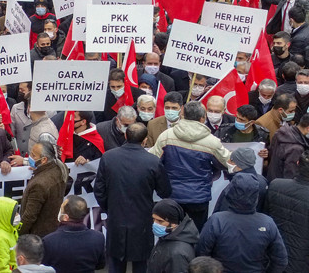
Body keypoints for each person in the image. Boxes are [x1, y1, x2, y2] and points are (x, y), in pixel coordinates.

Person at [95, 123, 171, 273]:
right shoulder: (153, 162)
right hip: (142, 221)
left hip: (116, 219)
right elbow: (165, 191)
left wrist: (110, 208)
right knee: (141, 264)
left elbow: (99, 190)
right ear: (144, 140)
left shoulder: (108, 157)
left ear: (125, 136)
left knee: (116, 264)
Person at [149, 101, 231, 230]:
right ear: (202, 118)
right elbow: (227, 163)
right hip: (198, 198)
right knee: (195, 235)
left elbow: (152, 161)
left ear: (182, 114)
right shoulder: (212, 142)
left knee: (170, 234)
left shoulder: (166, 136)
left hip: (172, 196)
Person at [197, 174, 288, 273]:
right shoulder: (267, 223)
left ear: (230, 192)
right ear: (256, 196)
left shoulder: (217, 221)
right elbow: (280, 260)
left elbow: (201, 254)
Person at [265, 150, 309, 273]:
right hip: (305, 264)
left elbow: (266, 218)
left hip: (274, 257)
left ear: (298, 164)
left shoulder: (276, 185)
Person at [42, 196, 106, 272]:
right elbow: (100, 265)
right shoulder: (98, 238)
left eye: (61, 209)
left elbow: (44, 267)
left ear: (65, 217)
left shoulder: (49, 241)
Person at [20, 141, 68, 237]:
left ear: (44, 160)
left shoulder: (39, 184)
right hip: (52, 228)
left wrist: (18, 233)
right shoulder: (60, 169)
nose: (30, 157)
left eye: (33, 155)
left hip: (38, 234)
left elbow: (29, 217)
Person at [267, 111, 309, 180]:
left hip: (272, 178)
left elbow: (270, 153)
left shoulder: (281, 132)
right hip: (283, 186)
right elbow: (291, 174)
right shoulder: (296, 149)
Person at [147, 199, 200, 273]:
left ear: (174, 223)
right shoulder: (167, 237)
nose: (155, 224)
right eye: (154, 219)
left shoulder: (177, 254)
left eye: (160, 221)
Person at [0, 196, 21, 273]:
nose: (17, 215)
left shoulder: (9, 228)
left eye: (17, 212)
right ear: (5, 215)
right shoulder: (0, 238)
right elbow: (1, 269)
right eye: (14, 214)